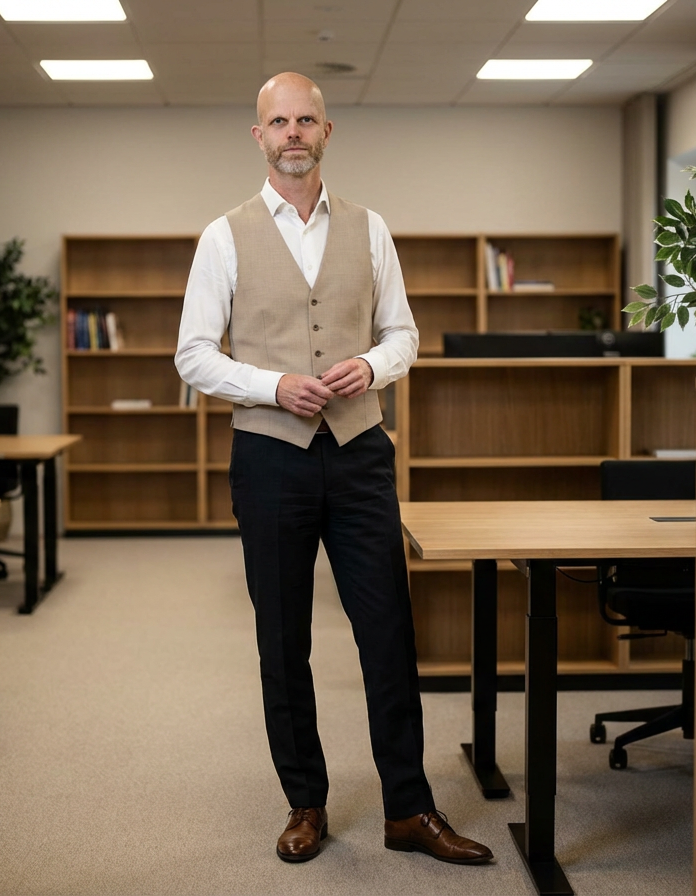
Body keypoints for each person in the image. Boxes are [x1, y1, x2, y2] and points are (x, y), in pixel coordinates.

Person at [174, 72, 492, 866]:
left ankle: (409, 809)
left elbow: (403, 334)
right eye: (278, 121)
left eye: (305, 120)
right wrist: (272, 385)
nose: (293, 132)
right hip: (269, 458)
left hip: (359, 455)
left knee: (388, 633)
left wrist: (372, 366)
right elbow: (193, 355)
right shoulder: (224, 236)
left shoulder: (370, 228)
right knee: (283, 642)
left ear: (326, 130)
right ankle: (306, 804)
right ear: (259, 136)